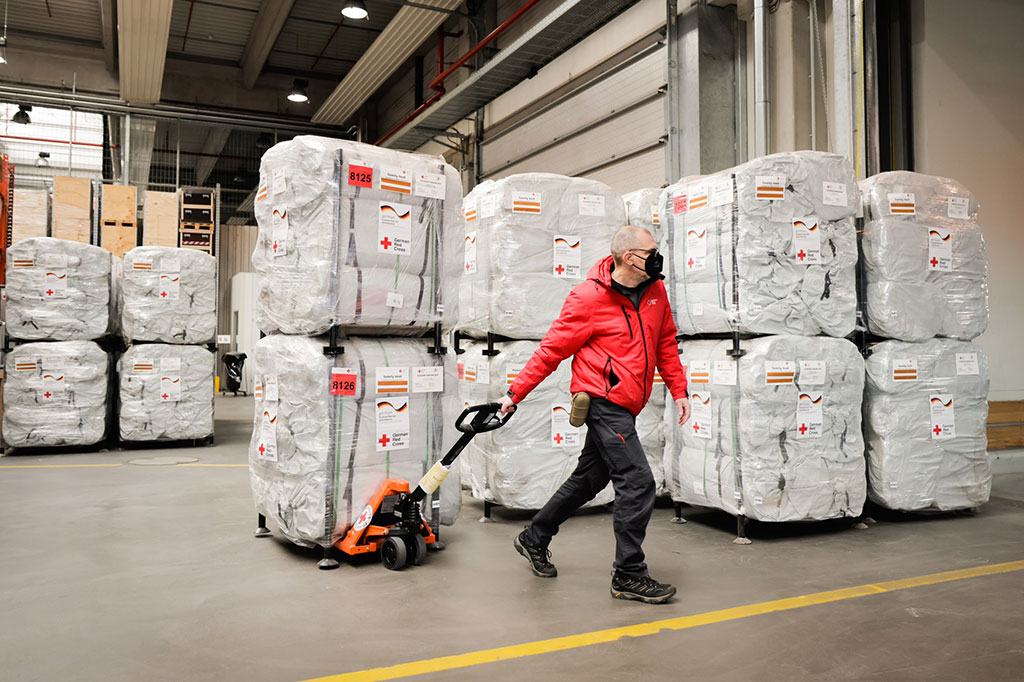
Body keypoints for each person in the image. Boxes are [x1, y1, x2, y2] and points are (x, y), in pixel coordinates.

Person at [496, 225, 690, 604]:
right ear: (627, 257)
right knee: (637, 481)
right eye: (649, 251)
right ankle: (629, 574)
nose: (656, 256)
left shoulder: (655, 291)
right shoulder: (588, 298)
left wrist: (679, 390)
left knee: (590, 479)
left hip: (628, 403)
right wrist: (514, 393)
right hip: (603, 402)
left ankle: (534, 536)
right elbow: (551, 350)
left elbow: (665, 341)